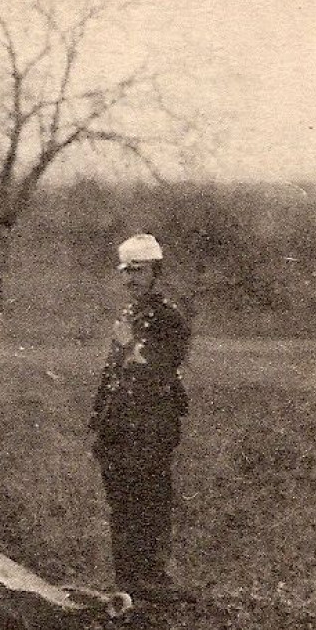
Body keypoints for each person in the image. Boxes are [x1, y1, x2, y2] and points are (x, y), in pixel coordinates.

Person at [90, 233, 193, 604]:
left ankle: (150, 577)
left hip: (151, 422)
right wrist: (98, 418)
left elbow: (165, 365)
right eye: (126, 271)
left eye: (138, 270)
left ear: (156, 272)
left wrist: (130, 345)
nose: (130, 278)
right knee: (121, 499)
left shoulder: (169, 316)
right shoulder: (129, 313)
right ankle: (128, 579)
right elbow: (112, 373)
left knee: (148, 496)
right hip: (119, 423)